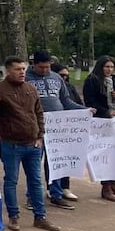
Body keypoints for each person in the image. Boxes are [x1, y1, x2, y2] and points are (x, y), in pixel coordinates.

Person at [0, 56, 60, 231]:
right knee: (11, 181)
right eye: (17, 69)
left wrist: (40, 135)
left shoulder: (31, 88)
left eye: (23, 69)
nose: (22, 72)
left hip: (33, 145)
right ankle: (14, 216)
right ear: (8, 71)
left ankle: (41, 217)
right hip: (11, 145)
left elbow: (39, 112)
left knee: (36, 182)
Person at [25, 50, 88, 209]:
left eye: (48, 67)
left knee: (56, 162)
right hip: (35, 127)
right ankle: (32, 196)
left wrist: (84, 110)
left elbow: (65, 100)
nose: (45, 70)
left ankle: (56, 194)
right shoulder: (25, 78)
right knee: (34, 163)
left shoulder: (56, 77)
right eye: (41, 67)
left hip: (58, 128)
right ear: (34, 64)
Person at [83, 55, 115, 202]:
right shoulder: (92, 80)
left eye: (112, 67)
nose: (109, 70)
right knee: (105, 155)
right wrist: (107, 112)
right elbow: (90, 102)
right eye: (107, 67)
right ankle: (106, 187)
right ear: (100, 66)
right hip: (103, 122)